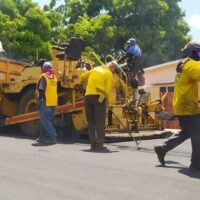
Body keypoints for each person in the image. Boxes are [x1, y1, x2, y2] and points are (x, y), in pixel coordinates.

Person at [154, 41, 200, 170]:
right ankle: (197, 164)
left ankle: (163, 148)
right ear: (194, 52)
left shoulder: (184, 64)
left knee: (187, 131)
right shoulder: (191, 64)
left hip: (183, 104)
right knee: (198, 134)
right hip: (188, 106)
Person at [81, 61, 119, 151]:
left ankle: (93, 145)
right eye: (114, 71)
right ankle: (99, 145)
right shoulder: (108, 74)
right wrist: (108, 103)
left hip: (88, 96)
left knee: (91, 123)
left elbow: (83, 77)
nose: (113, 73)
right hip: (99, 97)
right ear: (112, 68)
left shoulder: (95, 69)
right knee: (100, 122)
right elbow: (107, 91)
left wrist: (92, 83)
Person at [36, 62, 58, 145]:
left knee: (45, 121)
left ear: (43, 68)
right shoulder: (54, 77)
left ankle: (53, 137)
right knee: (47, 120)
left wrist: (38, 101)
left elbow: (41, 90)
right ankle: (42, 137)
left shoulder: (43, 77)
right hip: (53, 102)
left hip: (45, 102)